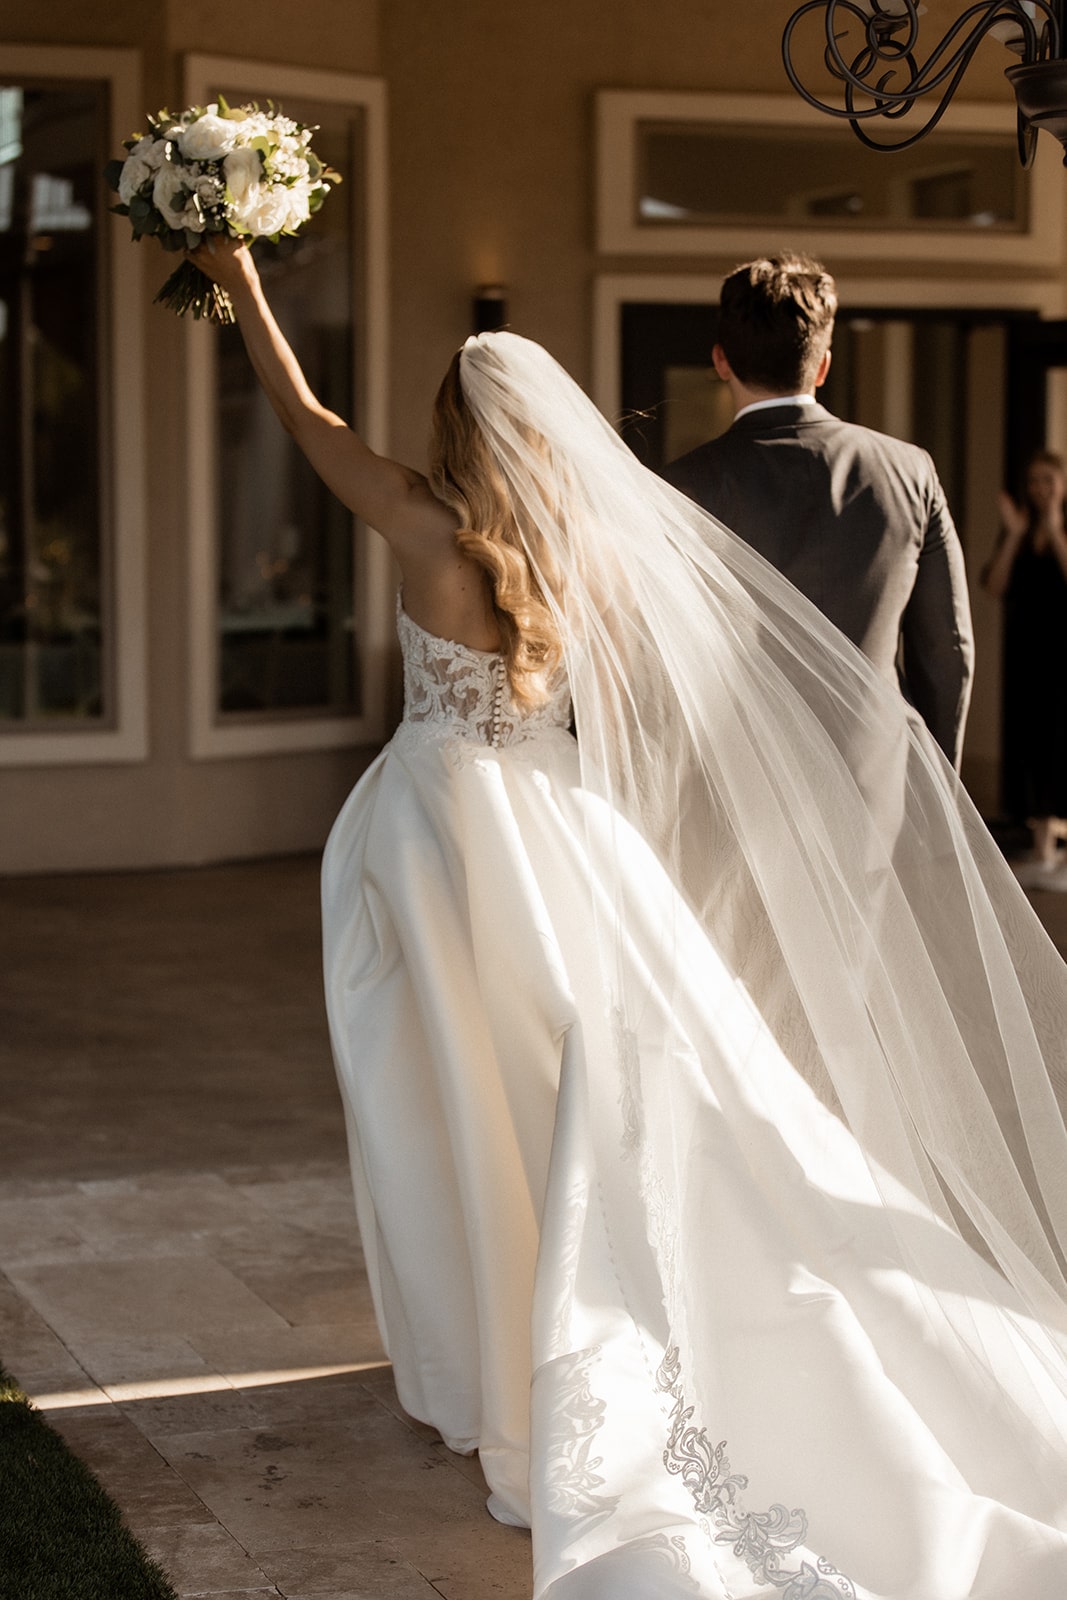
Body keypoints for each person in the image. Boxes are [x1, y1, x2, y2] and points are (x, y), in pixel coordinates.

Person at [194, 237, 1067, 1600]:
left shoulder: (424, 526)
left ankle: (494, 1359)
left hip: (446, 839)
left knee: (448, 1093)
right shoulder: (595, 544)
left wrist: (240, 278)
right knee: (596, 1090)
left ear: (446, 426)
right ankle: (608, 1318)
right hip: (565, 833)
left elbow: (306, 417)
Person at [664, 253, 974, 771]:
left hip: (745, 782)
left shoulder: (683, 487)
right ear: (824, 364)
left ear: (720, 361)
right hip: (877, 783)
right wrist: (940, 797)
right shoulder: (910, 472)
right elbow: (949, 654)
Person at [982, 449, 1067, 888]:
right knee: (1032, 745)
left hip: (1063, 656)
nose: (1040, 489)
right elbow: (995, 585)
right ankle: (1043, 851)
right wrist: (1014, 535)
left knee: (1060, 745)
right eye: (1034, 481)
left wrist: (1055, 533)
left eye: (1048, 480)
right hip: (1027, 656)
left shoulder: (1059, 528)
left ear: (1062, 483)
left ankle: (1054, 852)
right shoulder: (1018, 528)